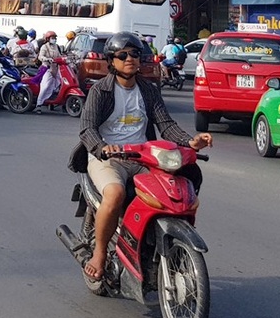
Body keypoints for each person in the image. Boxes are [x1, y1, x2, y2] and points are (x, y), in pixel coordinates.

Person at [71, 31, 213, 281]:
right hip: (108, 158)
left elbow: (165, 124)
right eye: (123, 55)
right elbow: (87, 129)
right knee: (115, 193)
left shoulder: (148, 90)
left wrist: (191, 141)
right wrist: (103, 147)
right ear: (111, 61)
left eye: (135, 54)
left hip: (144, 157)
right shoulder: (100, 91)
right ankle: (101, 254)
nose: (130, 59)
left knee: (176, 190)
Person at [35, 31, 65, 111]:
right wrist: (46, 59)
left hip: (55, 68)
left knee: (59, 83)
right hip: (46, 68)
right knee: (45, 86)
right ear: (48, 39)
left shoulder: (56, 46)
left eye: (55, 38)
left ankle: (51, 101)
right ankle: (39, 104)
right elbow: (40, 56)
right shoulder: (44, 47)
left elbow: (59, 56)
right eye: (52, 38)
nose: (54, 39)